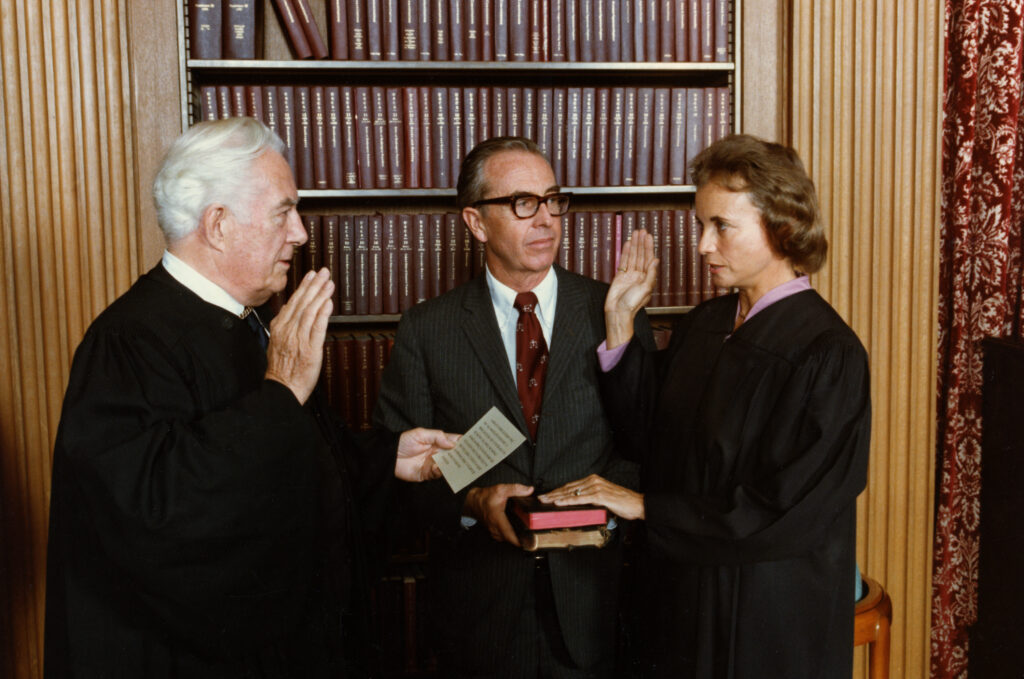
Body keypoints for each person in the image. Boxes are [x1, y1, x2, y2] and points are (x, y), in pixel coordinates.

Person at [43, 117, 458, 678]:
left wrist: (386, 460)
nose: (302, 234)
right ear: (218, 225)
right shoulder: (129, 342)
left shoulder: (247, 324)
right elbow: (160, 514)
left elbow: (285, 467)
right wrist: (281, 389)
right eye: (284, 211)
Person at [539, 134, 871, 678]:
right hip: (686, 595)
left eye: (722, 227)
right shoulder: (706, 326)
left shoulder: (827, 353)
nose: (701, 247)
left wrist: (650, 508)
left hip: (767, 614)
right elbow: (649, 439)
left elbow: (788, 510)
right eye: (701, 225)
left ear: (781, 226)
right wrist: (621, 324)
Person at [373, 136, 654, 679]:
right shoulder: (427, 330)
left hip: (593, 604)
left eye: (553, 200)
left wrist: (599, 521)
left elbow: (644, 444)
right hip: (480, 615)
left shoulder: (615, 310)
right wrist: (473, 502)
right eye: (523, 203)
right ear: (476, 223)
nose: (546, 218)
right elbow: (396, 477)